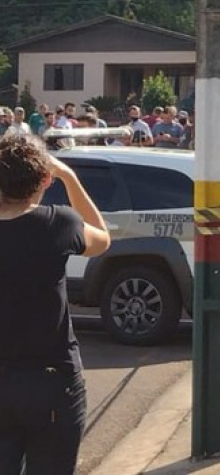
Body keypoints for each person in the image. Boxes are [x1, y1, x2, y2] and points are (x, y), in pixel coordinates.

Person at [0, 134, 111, 473]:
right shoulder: (59, 223)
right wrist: (70, 176)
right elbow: (101, 239)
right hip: (52, 379)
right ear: (45, 179)